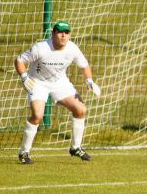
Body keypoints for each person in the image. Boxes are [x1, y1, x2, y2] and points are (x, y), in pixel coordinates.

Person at [14, 20, 101, 164]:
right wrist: (24, 77)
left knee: (80, 109)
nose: (63, 35)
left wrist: (90, 81)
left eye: (66, 33)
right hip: (37, 83)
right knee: (37, 115)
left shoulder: (72, 48)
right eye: (60, 32)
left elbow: (84, 65)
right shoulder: (41, 48)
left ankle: (75, 147)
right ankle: (24, 152)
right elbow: (19, 61)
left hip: (60, 83)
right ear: (53, 33)